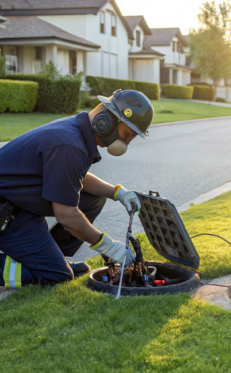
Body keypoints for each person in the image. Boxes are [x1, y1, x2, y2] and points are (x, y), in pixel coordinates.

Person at [0, 89, 154, 288]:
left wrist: (117, 193)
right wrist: (107, 246)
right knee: (57, 276)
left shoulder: (75, 133)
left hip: (19, 204)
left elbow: (72, 178)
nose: (126, 142)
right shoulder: (69, 145)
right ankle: (51, 265)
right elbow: (66, 215)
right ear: (105, 121)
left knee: (94, 198)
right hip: (7, 213)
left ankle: (53, 257)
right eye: (128, 134)